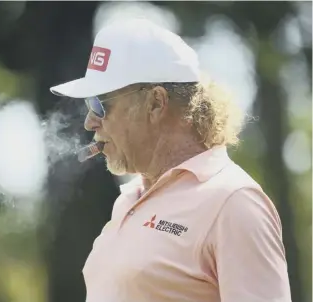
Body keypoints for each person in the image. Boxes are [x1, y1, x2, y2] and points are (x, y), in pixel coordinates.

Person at [49, 18, 292, 302]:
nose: (90, 122)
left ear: (156, 102)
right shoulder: (128, 200)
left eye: (100, 104)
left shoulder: (234, 202)